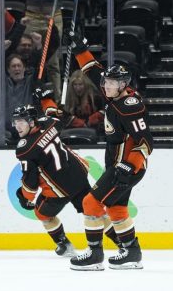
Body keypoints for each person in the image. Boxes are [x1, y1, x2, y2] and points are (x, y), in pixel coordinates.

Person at [67, 32, 154, 270]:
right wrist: (79, 50)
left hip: (125, 168)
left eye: (111, 83)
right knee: (116, 208)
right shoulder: (115, 96)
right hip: (122, 167)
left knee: (90, 203)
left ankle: (95, 255)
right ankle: (132, 253)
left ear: (123, 85)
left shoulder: (130, 106)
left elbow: (146, 141)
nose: (105, 86)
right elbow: (94, 71)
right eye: (106, 83)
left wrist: (129, 165)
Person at [12, 104, 119, 257]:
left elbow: (31, 181)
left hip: (59, 189)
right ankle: (122, 242)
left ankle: (64, 244)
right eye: (15, 122)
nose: (17, 126)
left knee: (42, 213)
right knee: (95, 211)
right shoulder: (50, 124)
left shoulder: (25, 148)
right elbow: (58, 115)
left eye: (21, 122)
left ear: (31, 122)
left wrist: (24, 197)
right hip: (78, 175)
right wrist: (47, 104)